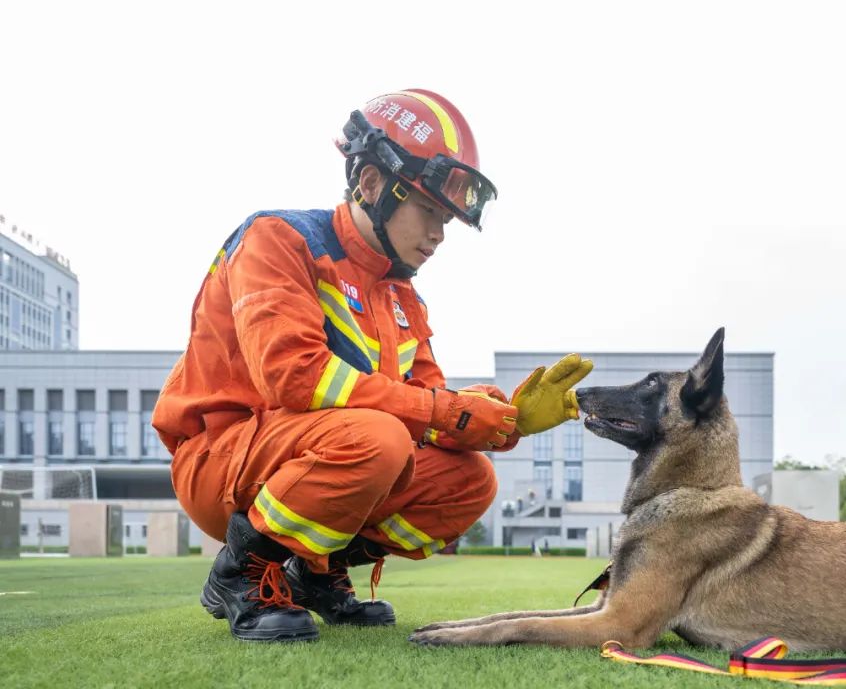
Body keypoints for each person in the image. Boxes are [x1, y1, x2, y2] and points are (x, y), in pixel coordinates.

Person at [153, 89, 593, 642]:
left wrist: (502, 418)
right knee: (380, 437)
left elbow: (430, 409)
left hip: (314, 454)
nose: (438, 233)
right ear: (371, 185)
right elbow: (294, 376)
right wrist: (441, 411)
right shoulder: (279, 239)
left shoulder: (402, 298)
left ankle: (314, 569)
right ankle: (242, 572)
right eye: (429, 210)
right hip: (221, 457)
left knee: (470, 480)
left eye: (448, 219)